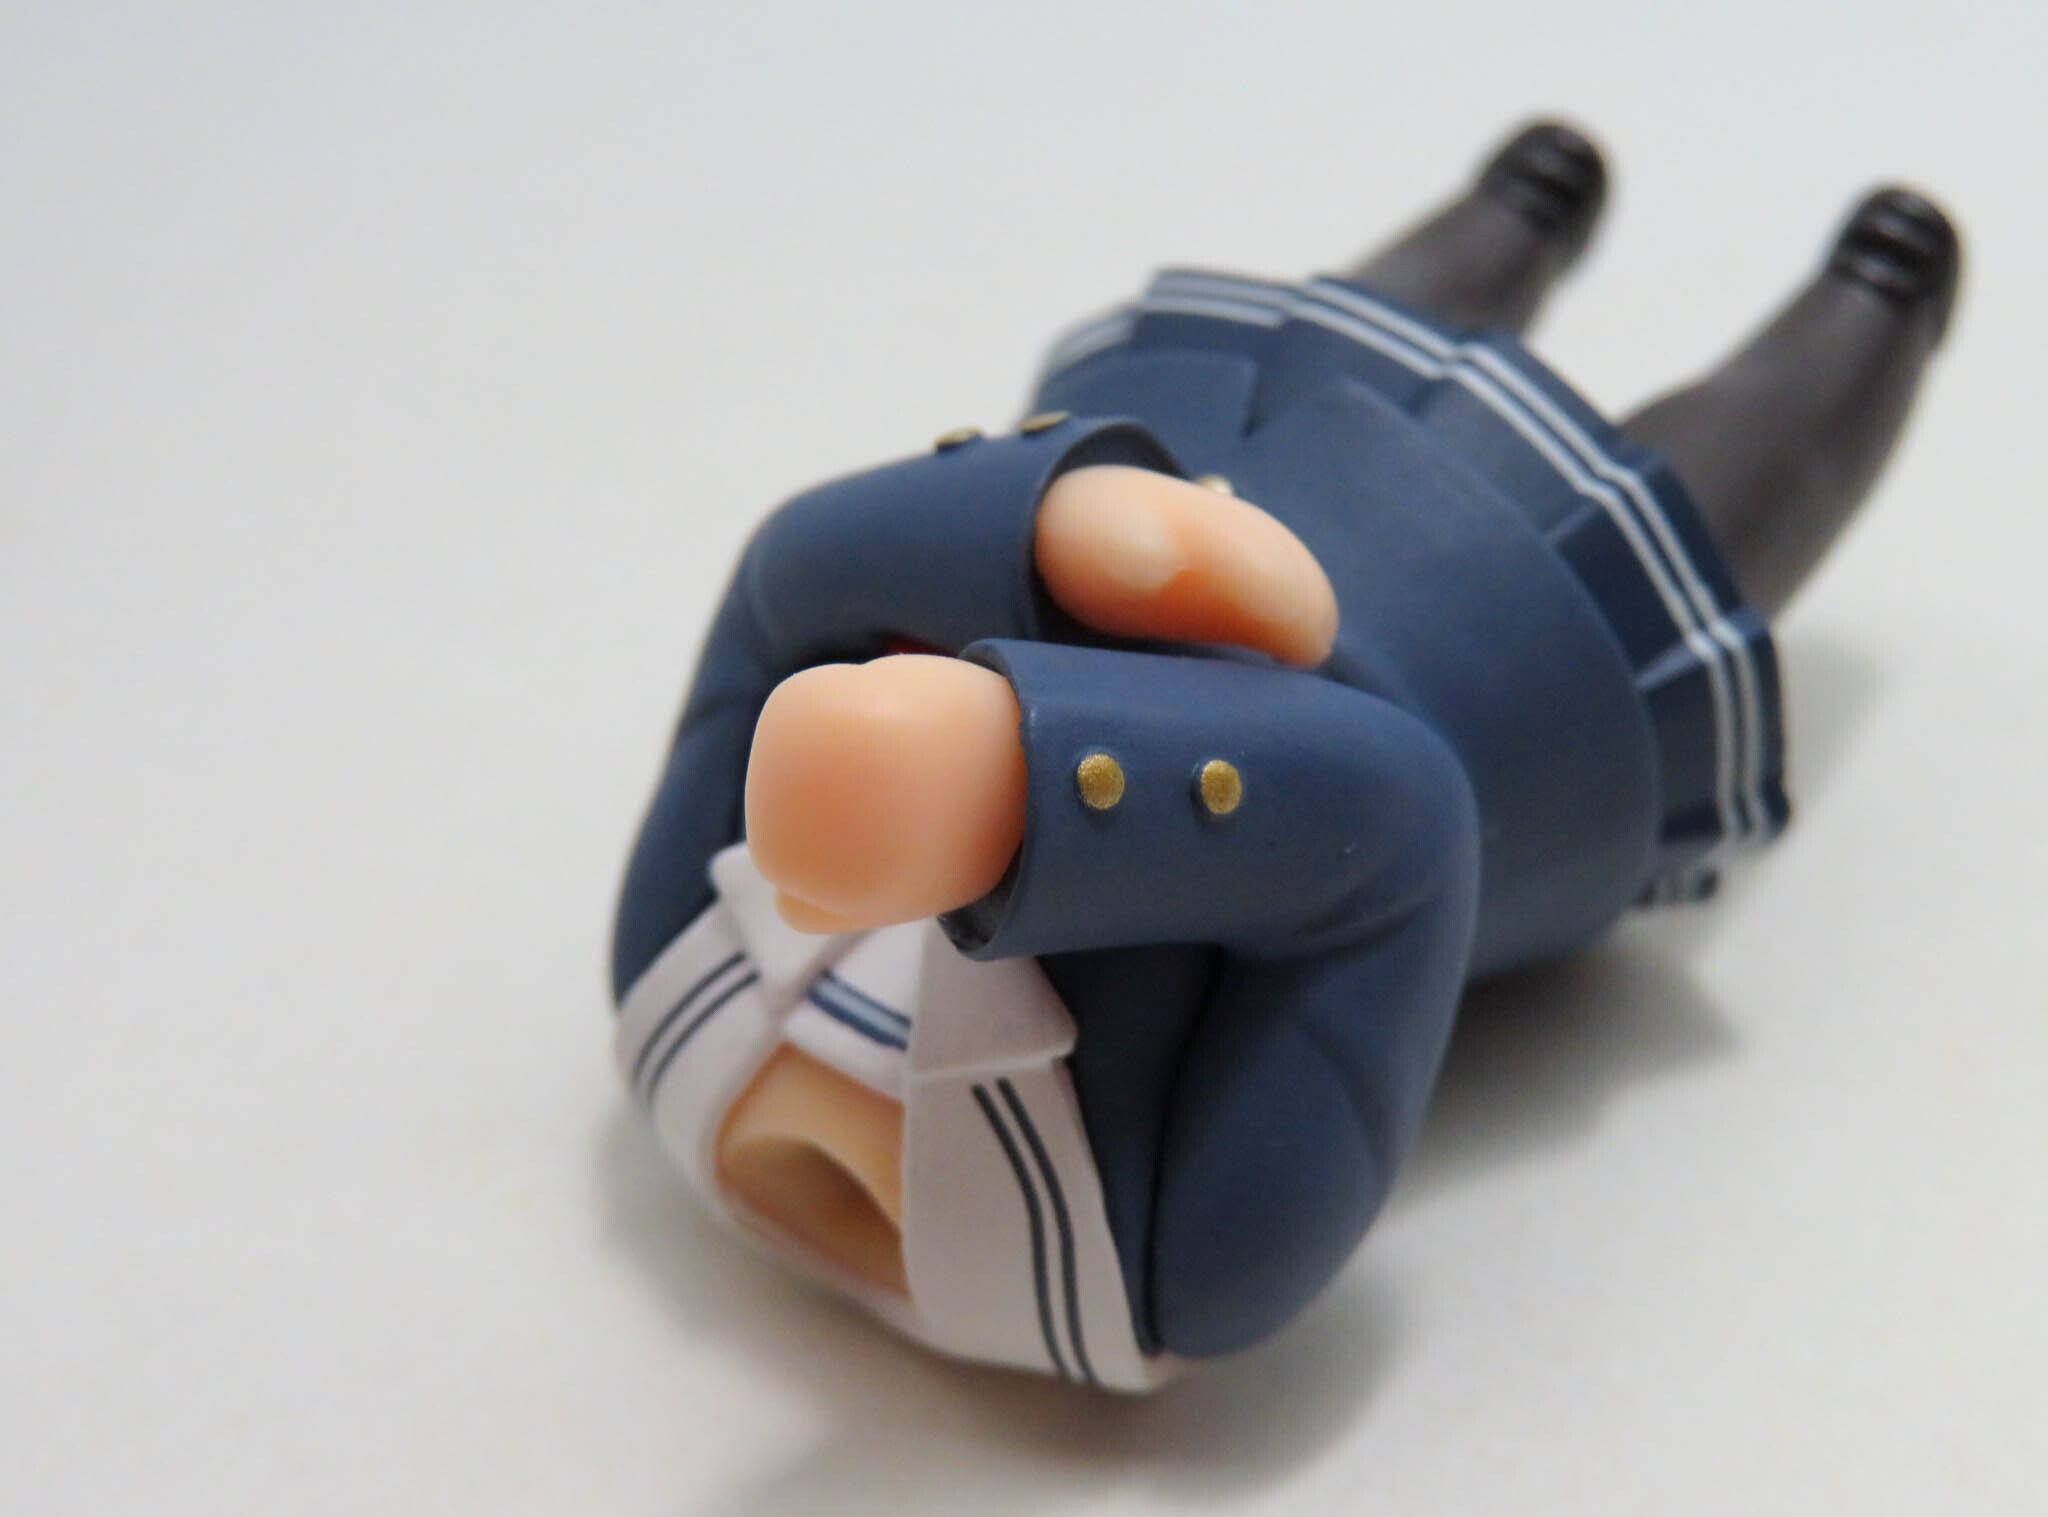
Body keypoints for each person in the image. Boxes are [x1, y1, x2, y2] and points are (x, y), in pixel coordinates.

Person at [611, 122, 1962, 1387]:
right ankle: (1876, 304)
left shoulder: (667, 998)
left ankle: (1521, 209)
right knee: (1730, 478)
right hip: (1491, 642)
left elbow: (783, 591)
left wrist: (1033, 524)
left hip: (1159, 475)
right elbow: (1407, 833)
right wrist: (1044, 784)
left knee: (1364, 305)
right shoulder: (1163, 1276)